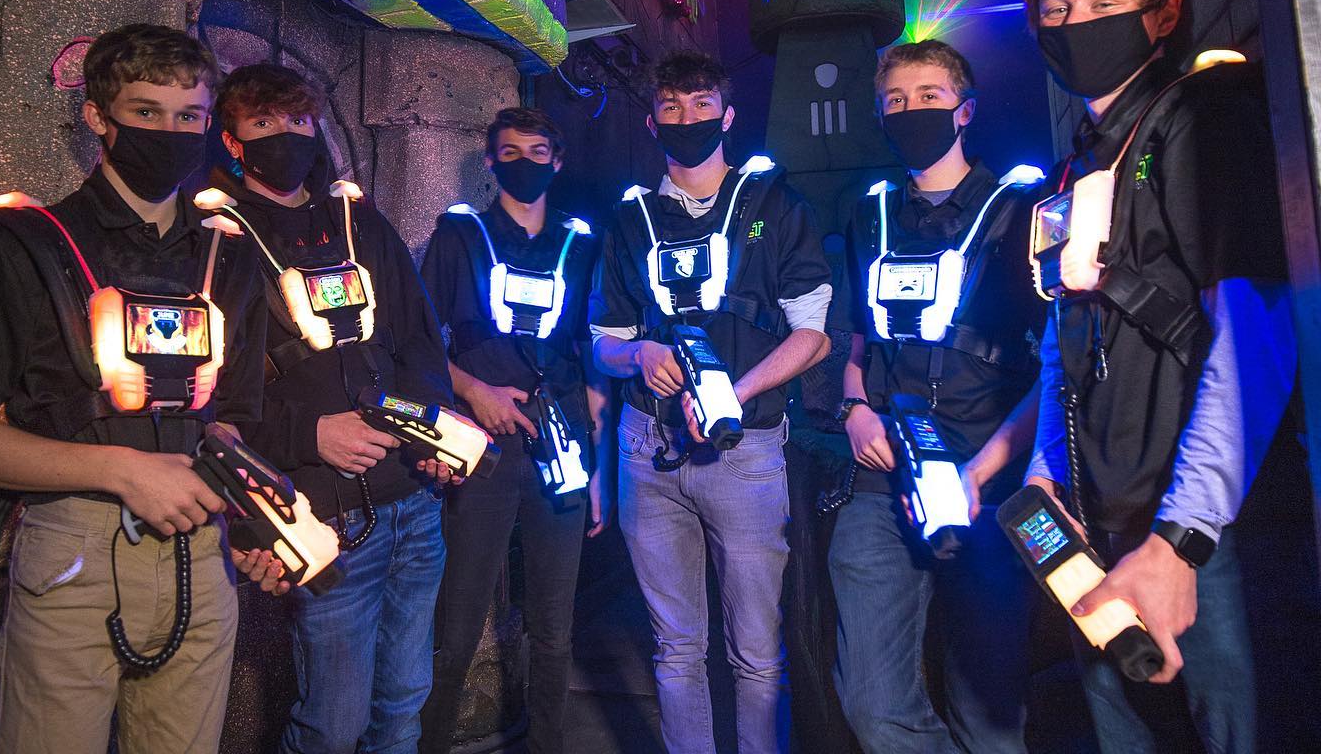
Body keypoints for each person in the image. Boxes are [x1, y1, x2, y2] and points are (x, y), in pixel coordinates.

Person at [0, 24, 270, 754]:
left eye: (190, 116)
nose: (170, 132)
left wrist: (254, 505)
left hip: (203, 557)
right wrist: (121, 470)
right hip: (75, 551)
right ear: (97, 116)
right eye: (146, 112)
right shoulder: (26, 243)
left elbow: (232, 417)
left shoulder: (227, 255)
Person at [1022, 0, 1297, 753]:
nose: (1077, 24)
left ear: (1162, 12)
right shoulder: (1081, 159)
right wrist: (1044, 471)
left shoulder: (1199, 122)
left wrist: (1183, 541)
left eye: (1102, 1)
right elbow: (1062, 333)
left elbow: (1256, 328)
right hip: (1100, 529)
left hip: (1209, 538)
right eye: (1058, 12)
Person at [590, 51, 832, 754]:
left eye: (701, 107)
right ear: (653, 120)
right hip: (648, 451)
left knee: (756, 654)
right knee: (675, 649)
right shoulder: (630, 218)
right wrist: (640, 356)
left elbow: (812, 334)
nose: (686, 120)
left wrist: (738, 390)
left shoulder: (775, 205)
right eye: (672, 108)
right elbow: (604, 343)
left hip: (746, 448)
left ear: (726, 117)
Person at [215, 62, 459, 754]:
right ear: (233, 140)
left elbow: (419, 338)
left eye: (297, 122)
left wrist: (430, 436)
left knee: (403, 705)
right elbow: (207, 400)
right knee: (333, 723)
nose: (285, 137)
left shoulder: (361, 223)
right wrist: (309, 433)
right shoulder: (216, 240)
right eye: (264, 125)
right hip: (326, 518)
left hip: (412, 508)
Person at [826, 38, 1044, 754]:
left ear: (965, 110)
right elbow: (858, 338)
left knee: (990, 706)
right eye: (894, 101)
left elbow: (1058, 365)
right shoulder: (870, 215)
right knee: (869, 699)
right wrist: (855, 409)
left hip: (987, 473)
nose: (910, 111)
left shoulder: (1024, 209)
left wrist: (987, 472)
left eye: (928, 97)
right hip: (881, 471)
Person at [418, 107, 611, 754]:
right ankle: (431, 742)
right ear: (490, 158)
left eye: (537, 151)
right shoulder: (460, 234)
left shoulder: (582, 243)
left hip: (562, 449)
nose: (523, 162)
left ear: (557, 160)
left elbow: (594, 362)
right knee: (459, 621)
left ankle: (548, 745)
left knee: (555, 625)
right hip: (481, 449)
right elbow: (417, 348)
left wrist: (598, 476)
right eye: (510, 151)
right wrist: (474, 393)